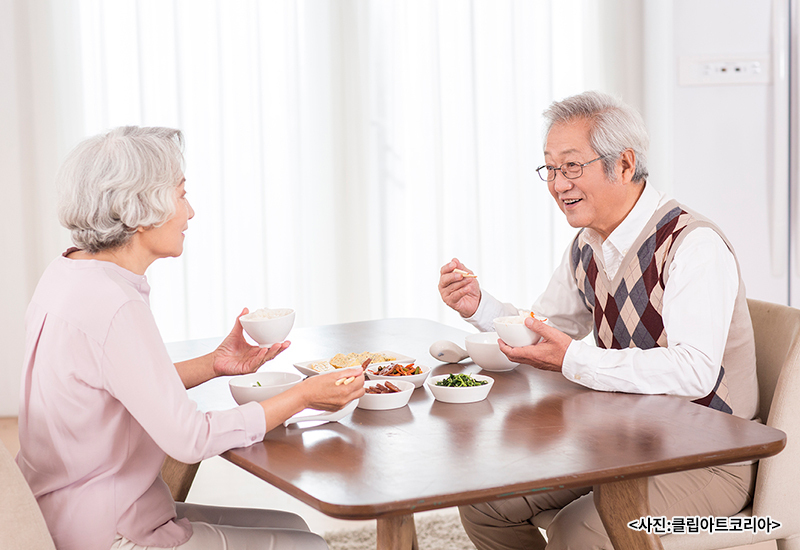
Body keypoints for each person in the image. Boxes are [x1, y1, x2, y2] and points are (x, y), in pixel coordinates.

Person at [16, 126, 366, 550]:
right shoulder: (115, 304)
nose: (191, 212)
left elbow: (113, 381)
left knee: (294, 523)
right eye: (182, 195)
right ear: (140, 208)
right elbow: (189, 439)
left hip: (69, 508)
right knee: (312, 547)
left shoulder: (69, 273)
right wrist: (304, 395)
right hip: (107, 530)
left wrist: (214, 364)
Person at [438, 91, 760, 550]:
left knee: (579, 530)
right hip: (623, 443)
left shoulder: (693, 245)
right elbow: (546, 330)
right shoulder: (588, 245)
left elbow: (694, 370)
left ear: (625, 165)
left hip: (710, 459)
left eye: (571, 166)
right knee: (485, 504)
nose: (557, 183)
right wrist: (479, 307)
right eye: (549, 168)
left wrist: (577, 360)